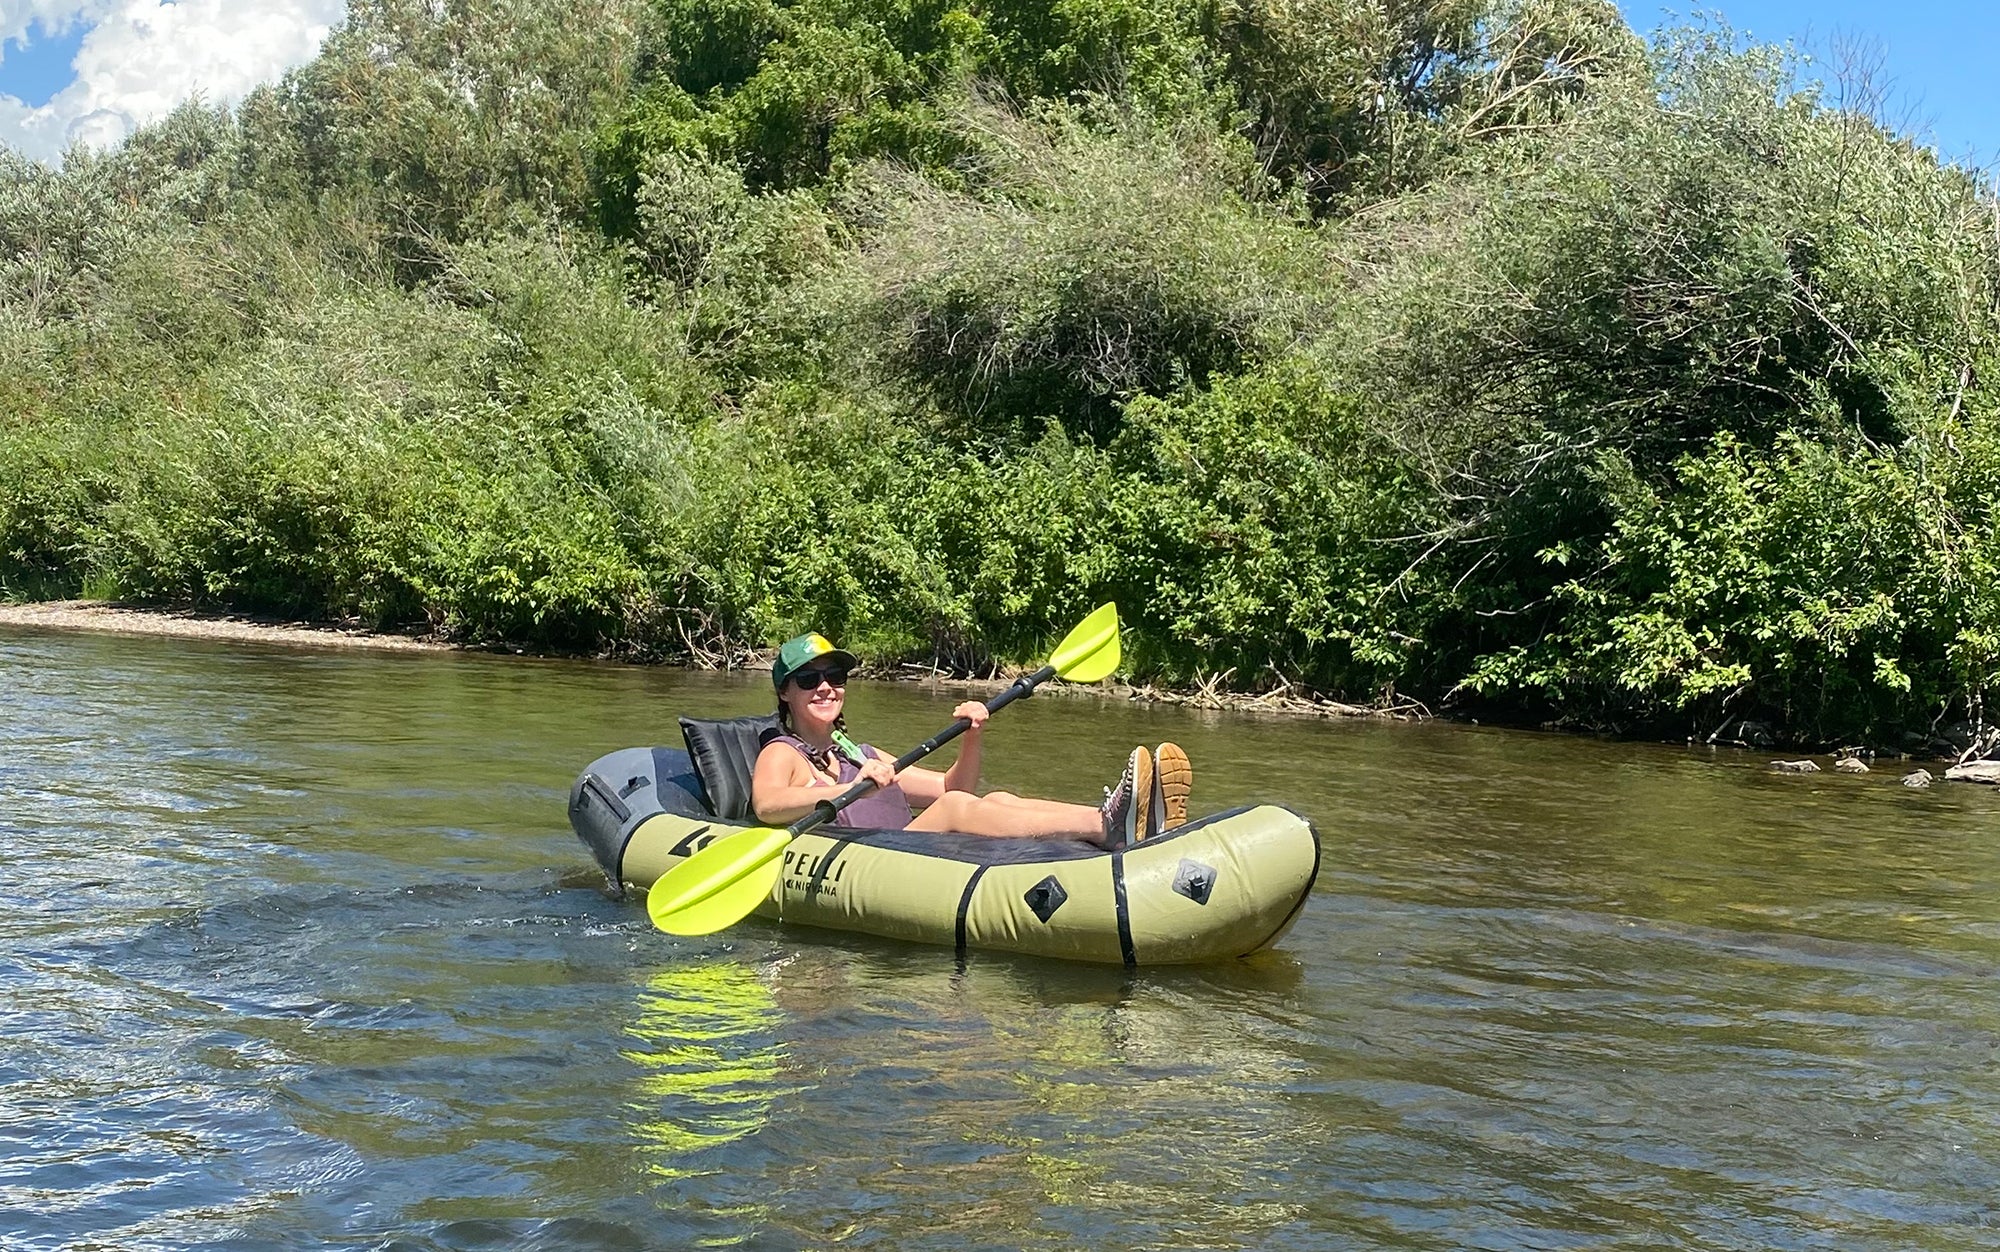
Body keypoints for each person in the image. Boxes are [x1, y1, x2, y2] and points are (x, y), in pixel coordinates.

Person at [751, 632, 1193, 848]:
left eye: (834, 676)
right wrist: (850, 787)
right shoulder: (782, 751)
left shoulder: (859, 752)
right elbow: (768, 805)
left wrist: (972, 737)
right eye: (809, 679)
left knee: (995, 796)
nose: (825, 687)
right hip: (873, 856)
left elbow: (950, 787)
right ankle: (1107, 826)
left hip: (899, 845)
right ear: (785, 692)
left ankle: (1110, 817)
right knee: (954, 811)